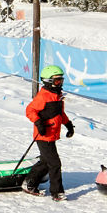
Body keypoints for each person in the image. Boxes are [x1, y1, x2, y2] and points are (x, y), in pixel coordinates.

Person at [21, 64, 74, 201]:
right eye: (57, 81)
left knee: (46, 162)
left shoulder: (57, 95)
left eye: (61, 80)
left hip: (52, 135)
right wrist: (38, 123)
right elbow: (30, 110)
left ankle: (29, 183)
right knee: (55, 163)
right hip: (43, 135)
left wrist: (68, 125)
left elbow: (60, 114)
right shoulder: (43, 95)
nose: (60, 83)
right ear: (49, 81)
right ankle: (57, 192)